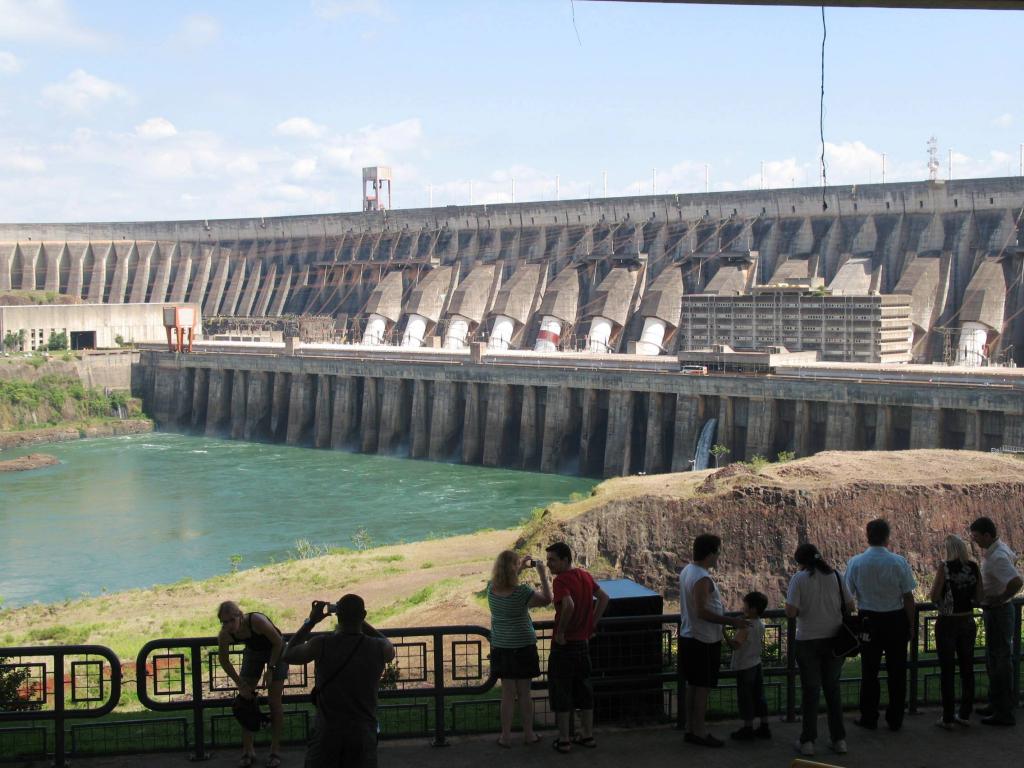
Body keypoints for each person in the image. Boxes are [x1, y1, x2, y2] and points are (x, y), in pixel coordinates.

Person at [280, 594, 395, 767]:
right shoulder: (379, 648)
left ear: (337, 615)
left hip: (327, 732)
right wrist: (360, 620)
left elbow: (288, 654)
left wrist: (311, 621)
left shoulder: (321, 644)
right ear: (363, 615)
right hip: (362, 732)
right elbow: (387, 642)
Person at [844, 518, 915, 732]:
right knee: (897, 672)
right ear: (887, 536)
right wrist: (911, 625)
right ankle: (895, 719)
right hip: (895, 620)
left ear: (867, 536)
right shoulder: (898, 561)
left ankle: (869, 717)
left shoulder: (856, 562)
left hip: (868, 621)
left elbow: (848, 598)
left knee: (869, 671)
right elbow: (908, 597)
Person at [679, 533, 747, 749]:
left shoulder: (687, 571)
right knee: (702, 688)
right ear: (709, 554)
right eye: (718, 552)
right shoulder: (702, 578)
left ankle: (690, 728)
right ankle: (699, 731)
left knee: (693, 685)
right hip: (703, 640)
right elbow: (702, 611)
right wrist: (730, 621)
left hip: (690, 636)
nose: (719, 556)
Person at [785, 543, 852, 757]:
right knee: (832, 689)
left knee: (811, 691)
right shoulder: (837, 576)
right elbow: (850, 606)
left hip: (808, 640)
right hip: (835, 639)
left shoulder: (799, 579)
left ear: (801, 562)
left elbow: (791, 611)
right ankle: (839, 739)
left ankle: (808, 741)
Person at [545, 542, 610, 754]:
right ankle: (587, 735)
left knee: (562, 691)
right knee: (584, 690)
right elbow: (604, 598)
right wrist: (592, 624)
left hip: (564, 647)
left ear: (564, 560)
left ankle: (564, 739)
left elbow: (569, 605)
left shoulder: (561, 580)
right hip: (583, 644)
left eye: (552, 560)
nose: (549, 564)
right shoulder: (585, 575)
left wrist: (561, 632)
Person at [487, 550, 552, 747]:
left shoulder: (491, 589)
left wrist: (520, 567)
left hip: (502, 646)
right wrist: (542, 574)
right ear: (514, 569)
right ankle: (528, 734)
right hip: (523, 645)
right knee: (525, 693)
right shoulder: (522, 592)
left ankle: (505, 737)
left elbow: (506, 581)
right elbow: (547, 599)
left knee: (507, 694)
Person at [217, 601, 288, 768]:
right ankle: (248, 751)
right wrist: (239, 683)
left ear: (239, 616)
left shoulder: (257, 621)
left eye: (231, 620)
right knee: (245, 701)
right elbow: (224, 660)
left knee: (274, 702)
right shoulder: (224, 635)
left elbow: (278, 642)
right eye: (224, 622)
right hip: (253, 652)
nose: (228, 625)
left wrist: (271, 669)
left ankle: (275, 750)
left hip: (277, 651)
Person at [969, 516, 1023, 727]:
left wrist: (1000, 598)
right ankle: (997, 704)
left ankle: (1003, 711)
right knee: (996, 658)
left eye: (976, 537)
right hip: (998, 611)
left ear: (987, 535)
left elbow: (1016, 581)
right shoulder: (998, 552)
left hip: (999, 611)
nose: (975, 542)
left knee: (1000, 661)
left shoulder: (997, 557)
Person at [929, 534, 982, 729]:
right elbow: (980, 596)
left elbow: (934, 594)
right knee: (967, 669)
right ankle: (965, 713)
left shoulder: (945, 567)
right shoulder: (974, 567)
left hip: (948, 622)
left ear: (948, 550)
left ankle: (948, 717)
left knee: (948, 670)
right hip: (968, 620)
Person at [726, 591, 771, 742]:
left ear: (752, 609)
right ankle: (764, 726)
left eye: (745, 605)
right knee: (758, 695)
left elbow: (735, 645)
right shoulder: (760, 624)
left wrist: (723, 633)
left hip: (744, 666)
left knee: (746, 697)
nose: (742, 607)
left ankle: (748, 728)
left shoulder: (745, 627)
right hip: (756, 663)